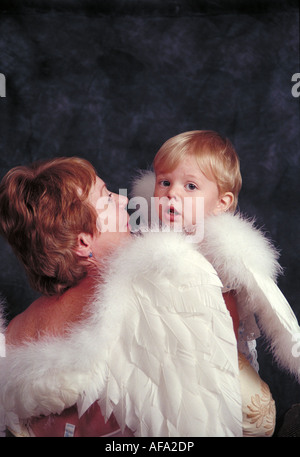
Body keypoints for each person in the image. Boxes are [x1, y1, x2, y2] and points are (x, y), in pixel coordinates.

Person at [0, 155, 246, 437]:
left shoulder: (18, 328)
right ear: (83, 241)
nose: (122, 200)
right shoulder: (150, 290)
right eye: (106, 199)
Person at [131, 130, 300, 436]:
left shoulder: (217, 251)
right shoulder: (150, 244)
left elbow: (262, 311)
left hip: (215, 365)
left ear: (222, 203)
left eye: (190, 186)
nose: (172, 193)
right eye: (164, 182)